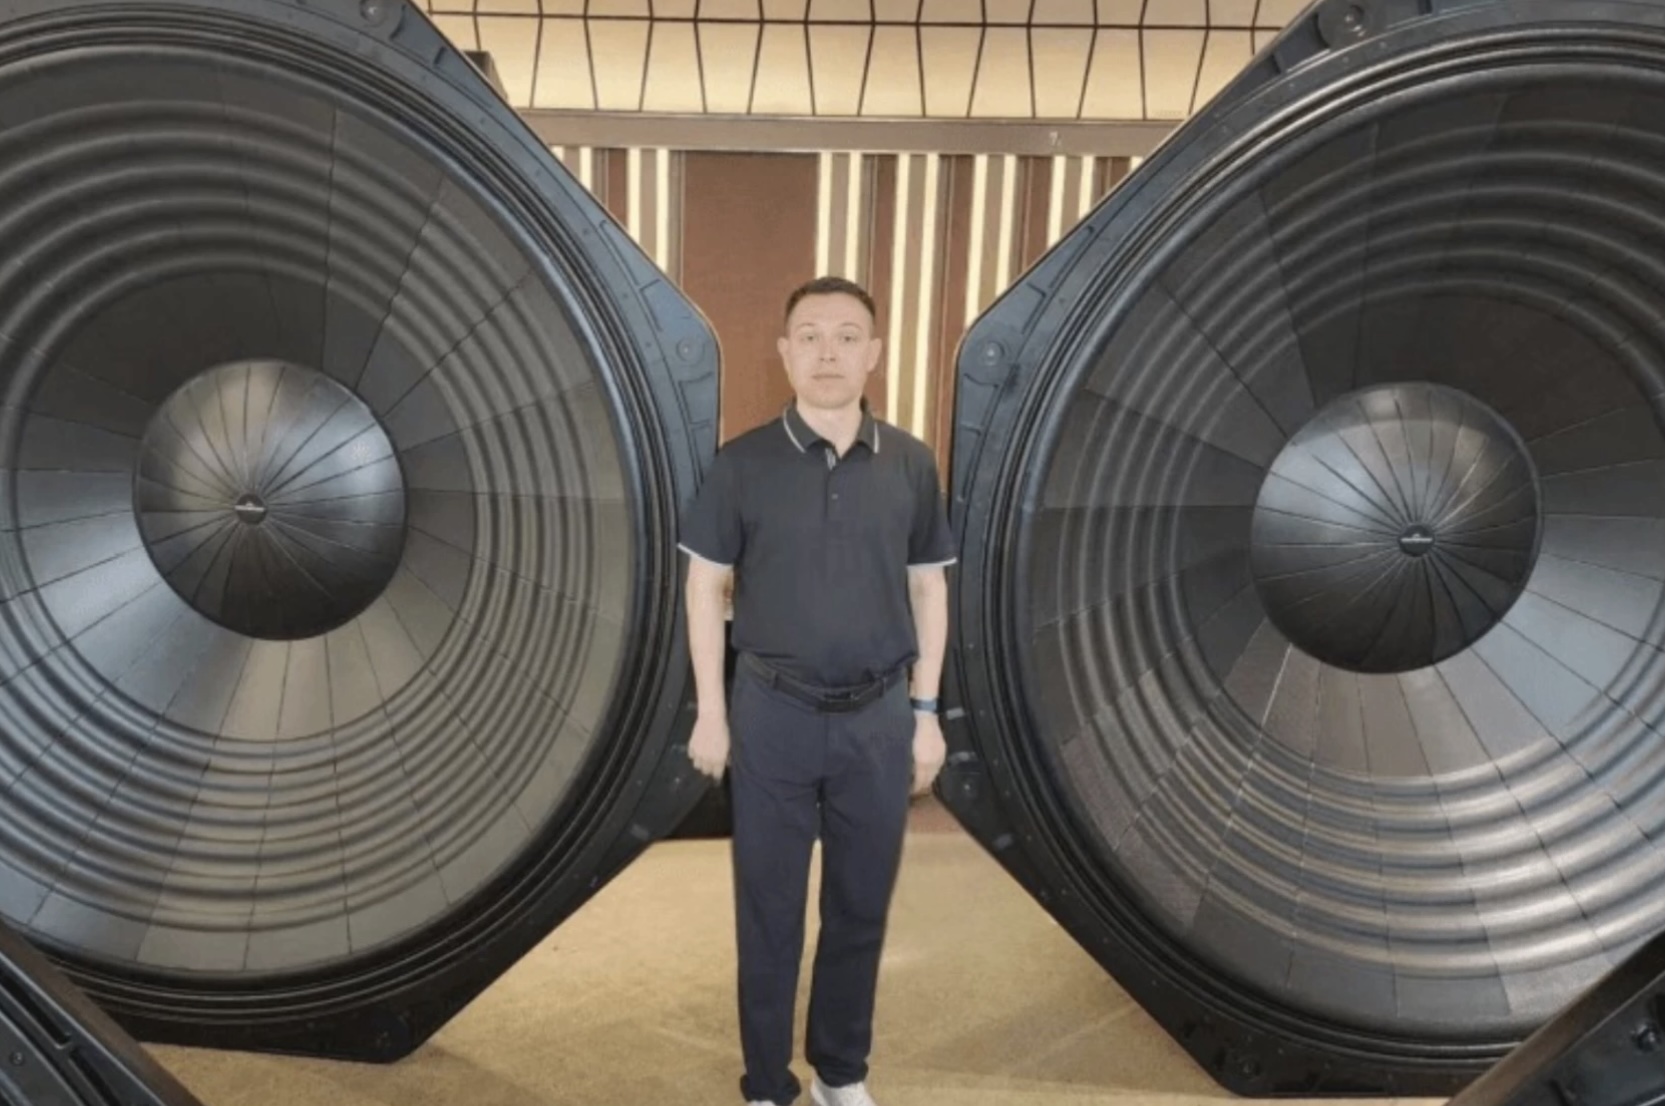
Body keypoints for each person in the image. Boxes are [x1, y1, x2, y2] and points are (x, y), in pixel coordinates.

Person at [678, 275, 954, 1106]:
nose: (827, 352)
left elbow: (930, 588)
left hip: (879, 717)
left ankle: (841, 1072)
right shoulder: (742, 464)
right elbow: (703, 588)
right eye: (809, 336)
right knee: (769, 912)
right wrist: (711, 714)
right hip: (772, 715)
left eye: (846, 336)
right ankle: (767, 1084)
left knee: (860, 906)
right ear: (785, 353)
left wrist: (926, 713)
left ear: (874, 354)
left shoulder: (911, 463)